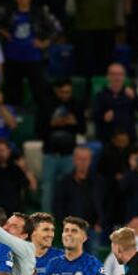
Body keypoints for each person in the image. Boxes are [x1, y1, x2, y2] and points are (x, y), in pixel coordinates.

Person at [0, 0, 59, 119]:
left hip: (34, 58)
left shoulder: (39, 12)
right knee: (12, 94)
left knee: (41, 93)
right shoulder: (8, 11)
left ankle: (44, 122)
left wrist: (45, 43)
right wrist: (2, 31)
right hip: (12, 58)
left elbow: (57, 28)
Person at [40, 78, 86, 211]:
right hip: (50, 154)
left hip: (69, 155)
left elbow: (83, 129)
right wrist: (52, 124)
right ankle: (45, 221)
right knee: (48, 188)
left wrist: (74, 122)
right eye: (62, 92)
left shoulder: (76, 105)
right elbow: (38, 130)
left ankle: (69, 220)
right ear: (56, 91)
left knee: (71, 189)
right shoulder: (46, 105)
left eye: (68, 92)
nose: (65, 95)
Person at [53, 146, 106, 241]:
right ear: (74, 160)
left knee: (92, 255)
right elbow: (58, 206)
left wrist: (100, 223)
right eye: (80, 159)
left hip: (93, 229)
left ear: (90, 161)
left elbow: (107, 204)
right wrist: (64, 225)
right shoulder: (64, 182)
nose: (83, 162)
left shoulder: (99, 181)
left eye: (85, 159)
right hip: (71, 230)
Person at [93, 63, 138, 143]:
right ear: (108, 76)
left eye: (120, 74)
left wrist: (135, 97)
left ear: (124, 77)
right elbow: (94, 115)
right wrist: (103, 117)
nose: (117, 78)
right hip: (108, 138)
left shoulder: (131, 94)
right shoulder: (101, 95)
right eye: (113, 74)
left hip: (129, 137)